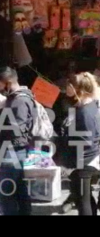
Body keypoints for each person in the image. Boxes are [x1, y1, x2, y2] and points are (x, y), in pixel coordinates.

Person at [62, 72, 100, 216]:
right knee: (85, 198)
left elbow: (86, 141)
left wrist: (73, 164)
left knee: (82, 200)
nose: (66, 87)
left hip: (84, 161)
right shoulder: (81, 106)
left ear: (78, 88)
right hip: (82, 160)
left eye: (69, 85)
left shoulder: (86, 111)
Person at [0, 67, 35, 215]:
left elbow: (17, 129)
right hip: (15, 150)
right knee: (19, 188)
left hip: (13, 150)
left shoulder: (19, 101)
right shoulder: (17, 98)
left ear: (7, 83)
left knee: (6, 191)